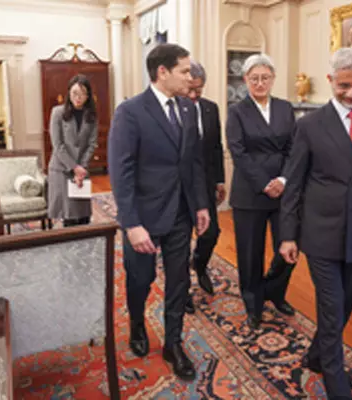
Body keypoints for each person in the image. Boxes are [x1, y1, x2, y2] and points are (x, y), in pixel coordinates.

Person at [279, 47, 352, 399]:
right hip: (320, 235)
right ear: (331, 80)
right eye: (344, 85)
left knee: (346, 305)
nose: (351, 93)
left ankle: (317, 355)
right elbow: (294, 184)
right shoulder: (309, 126)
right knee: (331, 310)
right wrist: (288, 236)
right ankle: (336, 383)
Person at [108, 43, 210, 381]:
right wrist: (132, 223)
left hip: (181, 212)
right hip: (145, 218)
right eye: (184, 70)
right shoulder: (131, 111)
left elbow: (193, 162)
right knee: (141, 280)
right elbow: (120, 172)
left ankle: (173, 344)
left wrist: (200, 203)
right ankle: (137, 322)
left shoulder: (188, 109)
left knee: (179, 281)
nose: (190, 76)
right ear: (162, 72)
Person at [226, 53, 297, 330]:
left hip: (284, 190)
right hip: (251, 192)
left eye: (265, 77)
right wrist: (265, 184)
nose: (259, 83)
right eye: (254, 78)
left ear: (273, 79)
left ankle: (274, 292)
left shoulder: (285, 107)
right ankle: (253, 303)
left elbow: (295, 148)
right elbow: (238, 152)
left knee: (288, 250)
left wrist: (283, 180)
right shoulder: (236, 111)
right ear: (245, 80)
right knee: (250, 254)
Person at [184, 60, 226, 314]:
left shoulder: (211, 109)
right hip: (181, 184)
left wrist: (220, 180)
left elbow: (216, 147)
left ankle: (199, 266)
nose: (193, 94)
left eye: (198, 89)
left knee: (210, 233)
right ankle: (183, 290)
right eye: (190, 88)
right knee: (179, 239)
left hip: (206, 181)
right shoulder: (174, 108)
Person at [47, 74, 98, 227]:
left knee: (83, 216)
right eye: (75, 93)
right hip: (62, 168)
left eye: (83, 94)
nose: (78, 97)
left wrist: (81, 167)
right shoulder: (57, 113)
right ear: (68, 93)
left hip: (82, 169)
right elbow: (58, 145)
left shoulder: (91, 115)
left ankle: (86, 248)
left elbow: (92, 143)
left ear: (88, 96)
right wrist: (74, 168)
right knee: (68, 216)